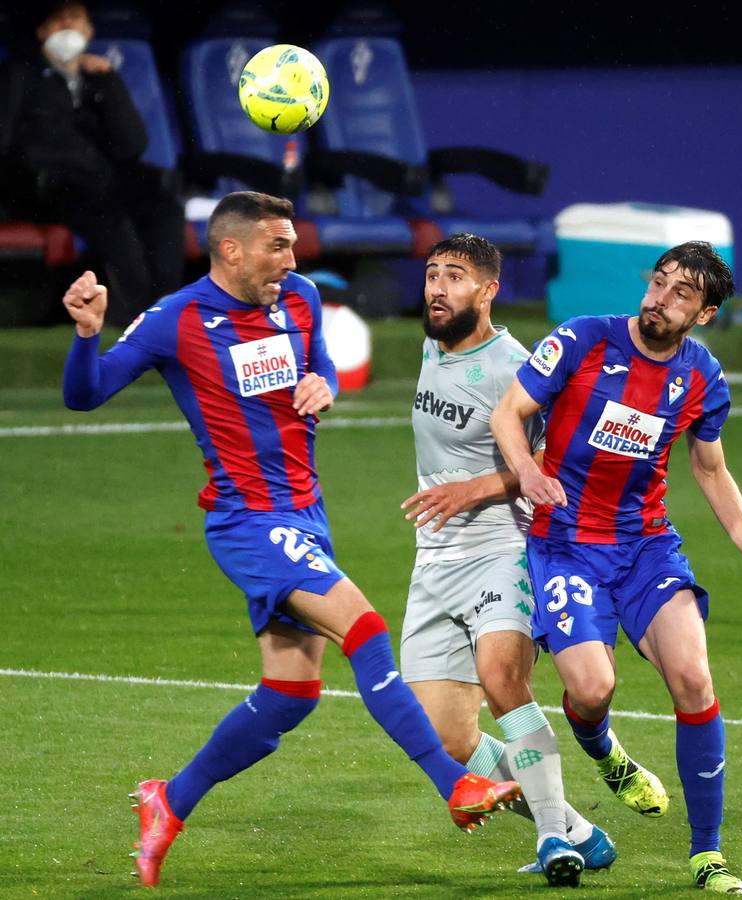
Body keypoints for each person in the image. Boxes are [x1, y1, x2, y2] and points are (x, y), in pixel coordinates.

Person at [61, 192, 521, 888]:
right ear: (232, 250)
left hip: (307, 515)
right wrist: (87, 333)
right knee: (364, 628)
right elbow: (85, 394)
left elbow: (320, 368)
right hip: (246, 520)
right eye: (278, 245)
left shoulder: (300, 298)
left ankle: (169, 800)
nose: (293, 259)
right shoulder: (176, 320)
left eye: (293, 246)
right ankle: (453, 784)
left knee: (291, 692)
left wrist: (322, 384)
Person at [490, 240, 742, 895]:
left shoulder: (700, 377)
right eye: (659, 283)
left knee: (693, 676)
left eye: (681, 293)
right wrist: (526, 469)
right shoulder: (582, 340)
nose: (660, 298)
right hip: (566, 543)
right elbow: (508, 413)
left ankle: (707, 855)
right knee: (592, 689)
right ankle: (605, 749)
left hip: (645, 548)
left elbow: (709, 466)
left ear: (704, 314)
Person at [398, 233, 661, 886]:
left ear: (488, 290)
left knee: (501, 677)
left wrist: (477, 489)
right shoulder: (433, 342)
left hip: (504, 549)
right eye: (432, 274)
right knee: (445, 737)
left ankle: (551, 841)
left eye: (455, 276)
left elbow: (552, 461)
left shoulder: (514, 368)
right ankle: (576, 827)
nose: (437, 287)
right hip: (434, 562)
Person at [0, 1, 184, 325]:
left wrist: (110, 83)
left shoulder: (97, 78)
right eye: (59, 21)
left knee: (161, 194)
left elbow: (133, 146)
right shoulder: (21, 74)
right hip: (44, 186)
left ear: (89, 32)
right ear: (42, 31)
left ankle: (168, 305)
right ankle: (138, 315)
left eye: (76, 20)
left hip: (98, 180)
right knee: (106, 207)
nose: (68, 26)